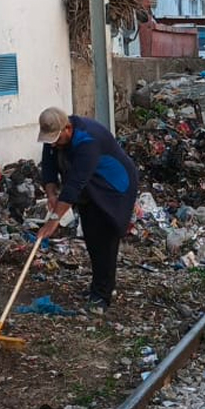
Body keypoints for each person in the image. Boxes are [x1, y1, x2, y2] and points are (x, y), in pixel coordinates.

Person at [36, 107, 139, 312]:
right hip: (90, 188)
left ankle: (102, 295)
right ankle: (97, 286)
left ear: (67, 128)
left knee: (105, 238)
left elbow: (75, 183)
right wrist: (51, 193)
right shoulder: (54, 140)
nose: (53, 144)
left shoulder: (88, 140)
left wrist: (54, 220)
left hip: (113, 188)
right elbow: (48, 166)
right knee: (92, 236)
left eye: (56, 138)